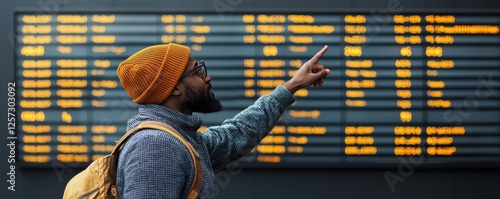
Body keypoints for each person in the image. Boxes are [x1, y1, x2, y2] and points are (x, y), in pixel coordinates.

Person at [115, 43, 330, 198]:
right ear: (174, 88)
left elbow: (236, 134)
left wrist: (291, 86)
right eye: (197, 71)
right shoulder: (156, 146)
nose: (207, 77)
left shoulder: (181, 140)